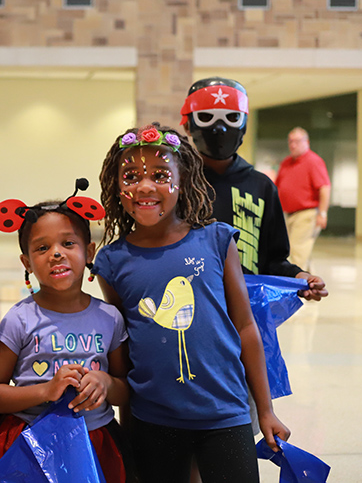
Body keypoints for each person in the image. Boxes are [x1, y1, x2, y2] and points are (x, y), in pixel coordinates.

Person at [93, 123, 290, 483]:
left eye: (161, 174)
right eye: (132, 176)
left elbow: (246, 327)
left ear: (183, 180)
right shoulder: (111, 261)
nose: (145, 186)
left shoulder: (217, 240)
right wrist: (127, 430)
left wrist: (265, 410)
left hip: (226, 414)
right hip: (153, 421)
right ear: (116, 186)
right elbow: (124, 347)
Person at [0, 181, 131, 482]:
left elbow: (125, 389)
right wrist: (44, 391)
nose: (56, 254)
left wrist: (104, 382)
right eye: (42, 248)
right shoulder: (19, 320)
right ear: (26, 262)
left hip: (95, 442)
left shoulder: (110, 318)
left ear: (89, 251)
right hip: (28, 446)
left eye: (68, 244)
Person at [179, 77, 327, 300]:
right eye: (207, 118)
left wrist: (299, 276)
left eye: (231, 118)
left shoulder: (261, 187)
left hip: (247, 308)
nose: (219, 129)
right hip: (188, 302)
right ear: (188, 125)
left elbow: (273, 260)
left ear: (244, 124)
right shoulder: (177, 184)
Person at [275, 127, 331, 272]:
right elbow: (278, 186)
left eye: (297, 141)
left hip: (306, 214)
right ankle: (309, 283)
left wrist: (322, 213)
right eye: (291, 141)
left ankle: (295, 286)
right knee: (297, 250)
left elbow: (324, 188)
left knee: (297, 250)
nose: (293, 145)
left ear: (307, 142)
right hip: (288, 214)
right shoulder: (286, 163)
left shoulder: (313, 161)